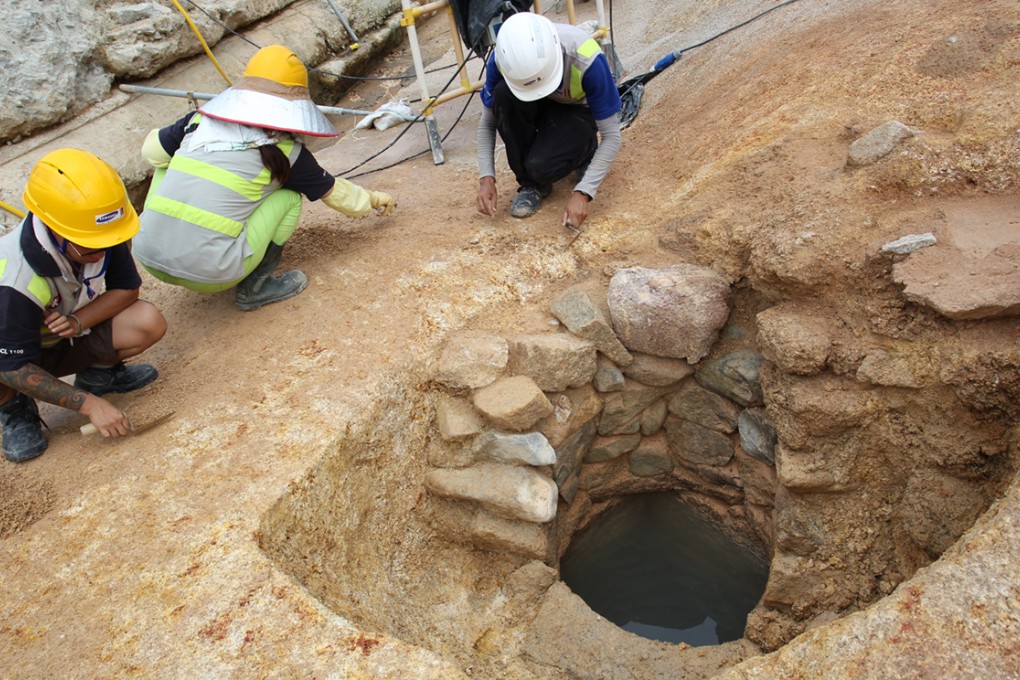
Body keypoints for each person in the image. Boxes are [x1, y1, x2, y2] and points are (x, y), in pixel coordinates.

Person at [133, 45, 396, 311]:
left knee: (165, 161)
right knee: (290, 197)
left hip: (147, 256)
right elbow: (338, 195)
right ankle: (254, 288)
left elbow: (150, 152)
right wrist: (373, 199)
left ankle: (169, 235)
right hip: (210, 275)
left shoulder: (198, 122)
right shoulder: (287, 152)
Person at [0, 149, 167, 463]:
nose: (104, 251)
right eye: (92, 248)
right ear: (56, 231)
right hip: (11, 362)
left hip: (56, 342)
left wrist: (77, 322)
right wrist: (90, 405)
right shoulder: (14, 278)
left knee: (146, 320)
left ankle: (97, 375)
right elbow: (11, 366)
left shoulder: (99, 234)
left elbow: (127, 289)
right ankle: (13, 408)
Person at [476, 12, 623, 230]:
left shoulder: (587, 58)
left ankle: (584, 151)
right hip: (541, 105)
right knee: (503, 95)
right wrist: (486, 178)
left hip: (576, 110)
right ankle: (531, 185)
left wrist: (584, 192)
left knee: (540, 166)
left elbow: (612, 136)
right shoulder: (504, 59)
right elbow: (488, 121)